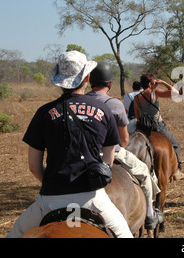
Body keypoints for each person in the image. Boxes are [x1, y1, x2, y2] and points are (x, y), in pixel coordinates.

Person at [7, 51, 133, 238]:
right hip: (92, 198)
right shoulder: (104, 110)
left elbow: (34, 166)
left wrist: (56, 185)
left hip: (49, 199)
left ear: (59, 79)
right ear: (87, 77)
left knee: (14, 234)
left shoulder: (43, 113)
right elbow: (108, 163)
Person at [86, 63, 163, 230]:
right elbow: (124, 139)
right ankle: (150, 214)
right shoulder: (114, 104)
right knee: (143, 171)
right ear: (110, 84)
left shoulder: (79, 101)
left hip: (83, 154)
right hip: (111, 152)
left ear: (89, 81)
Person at [134, 73, 184, 181]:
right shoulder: (155, 93)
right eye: (155, 83)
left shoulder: (136, 98)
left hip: (143, 127)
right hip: (158, 126)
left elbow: (137, 116)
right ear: (150, 84)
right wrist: (163, 82)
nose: (157, 85)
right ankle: (177, 171)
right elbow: (176, 93)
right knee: (175, 144)